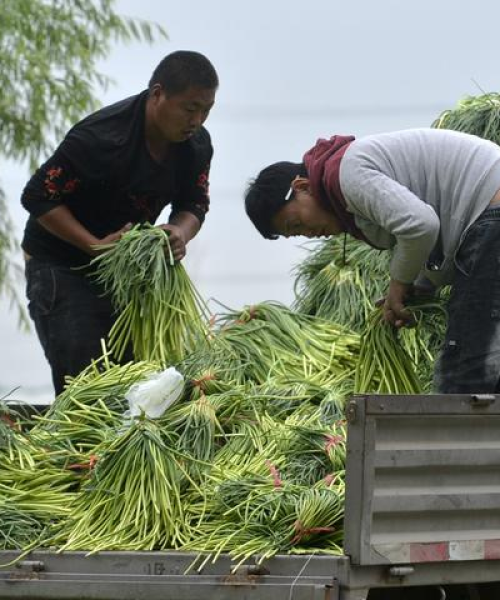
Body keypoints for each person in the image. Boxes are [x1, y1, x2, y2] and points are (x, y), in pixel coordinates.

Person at [21, 50, 218, 396]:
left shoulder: (196, 146)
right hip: (62, 264)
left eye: (206, 110)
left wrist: (180, 232)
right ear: (158, 95)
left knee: (132, 378)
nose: (198, 120)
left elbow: (194, 202)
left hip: (124, 271)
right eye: (190, 108)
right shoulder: (101, 138)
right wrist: (94, 245)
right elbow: (37, 197)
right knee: (86, 379)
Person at [244, 128, 500, 394]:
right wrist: (422, 285)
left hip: (491, 207)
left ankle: (462, 436)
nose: (308, 234)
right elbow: (427, 231)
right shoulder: (343, 190)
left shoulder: (347, 175)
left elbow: (421, 227)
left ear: (302, 187)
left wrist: (398, 286)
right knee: (490, 367)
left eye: (297, 224)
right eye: (296, 234)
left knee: (466, 374)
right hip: (487, 211)